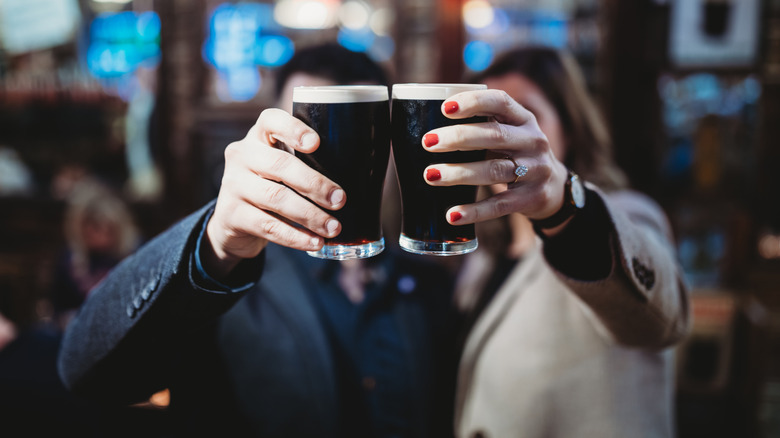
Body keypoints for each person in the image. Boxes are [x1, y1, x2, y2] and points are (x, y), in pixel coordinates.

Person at [58, 43, 460, 437]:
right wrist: (214, 243)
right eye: (313, 135)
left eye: (360, 136)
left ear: (389, 148)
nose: (340, 161)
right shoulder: (225, 278)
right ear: (277, 144)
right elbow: (89, 372)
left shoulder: (430, 284)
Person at [446, 47, 689, 437]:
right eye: (484, 120)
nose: (499, 135)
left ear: (570, 128)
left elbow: (661, 321)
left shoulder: (622, 215)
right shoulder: (484, 251)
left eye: (523, 116)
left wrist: (561, 203)